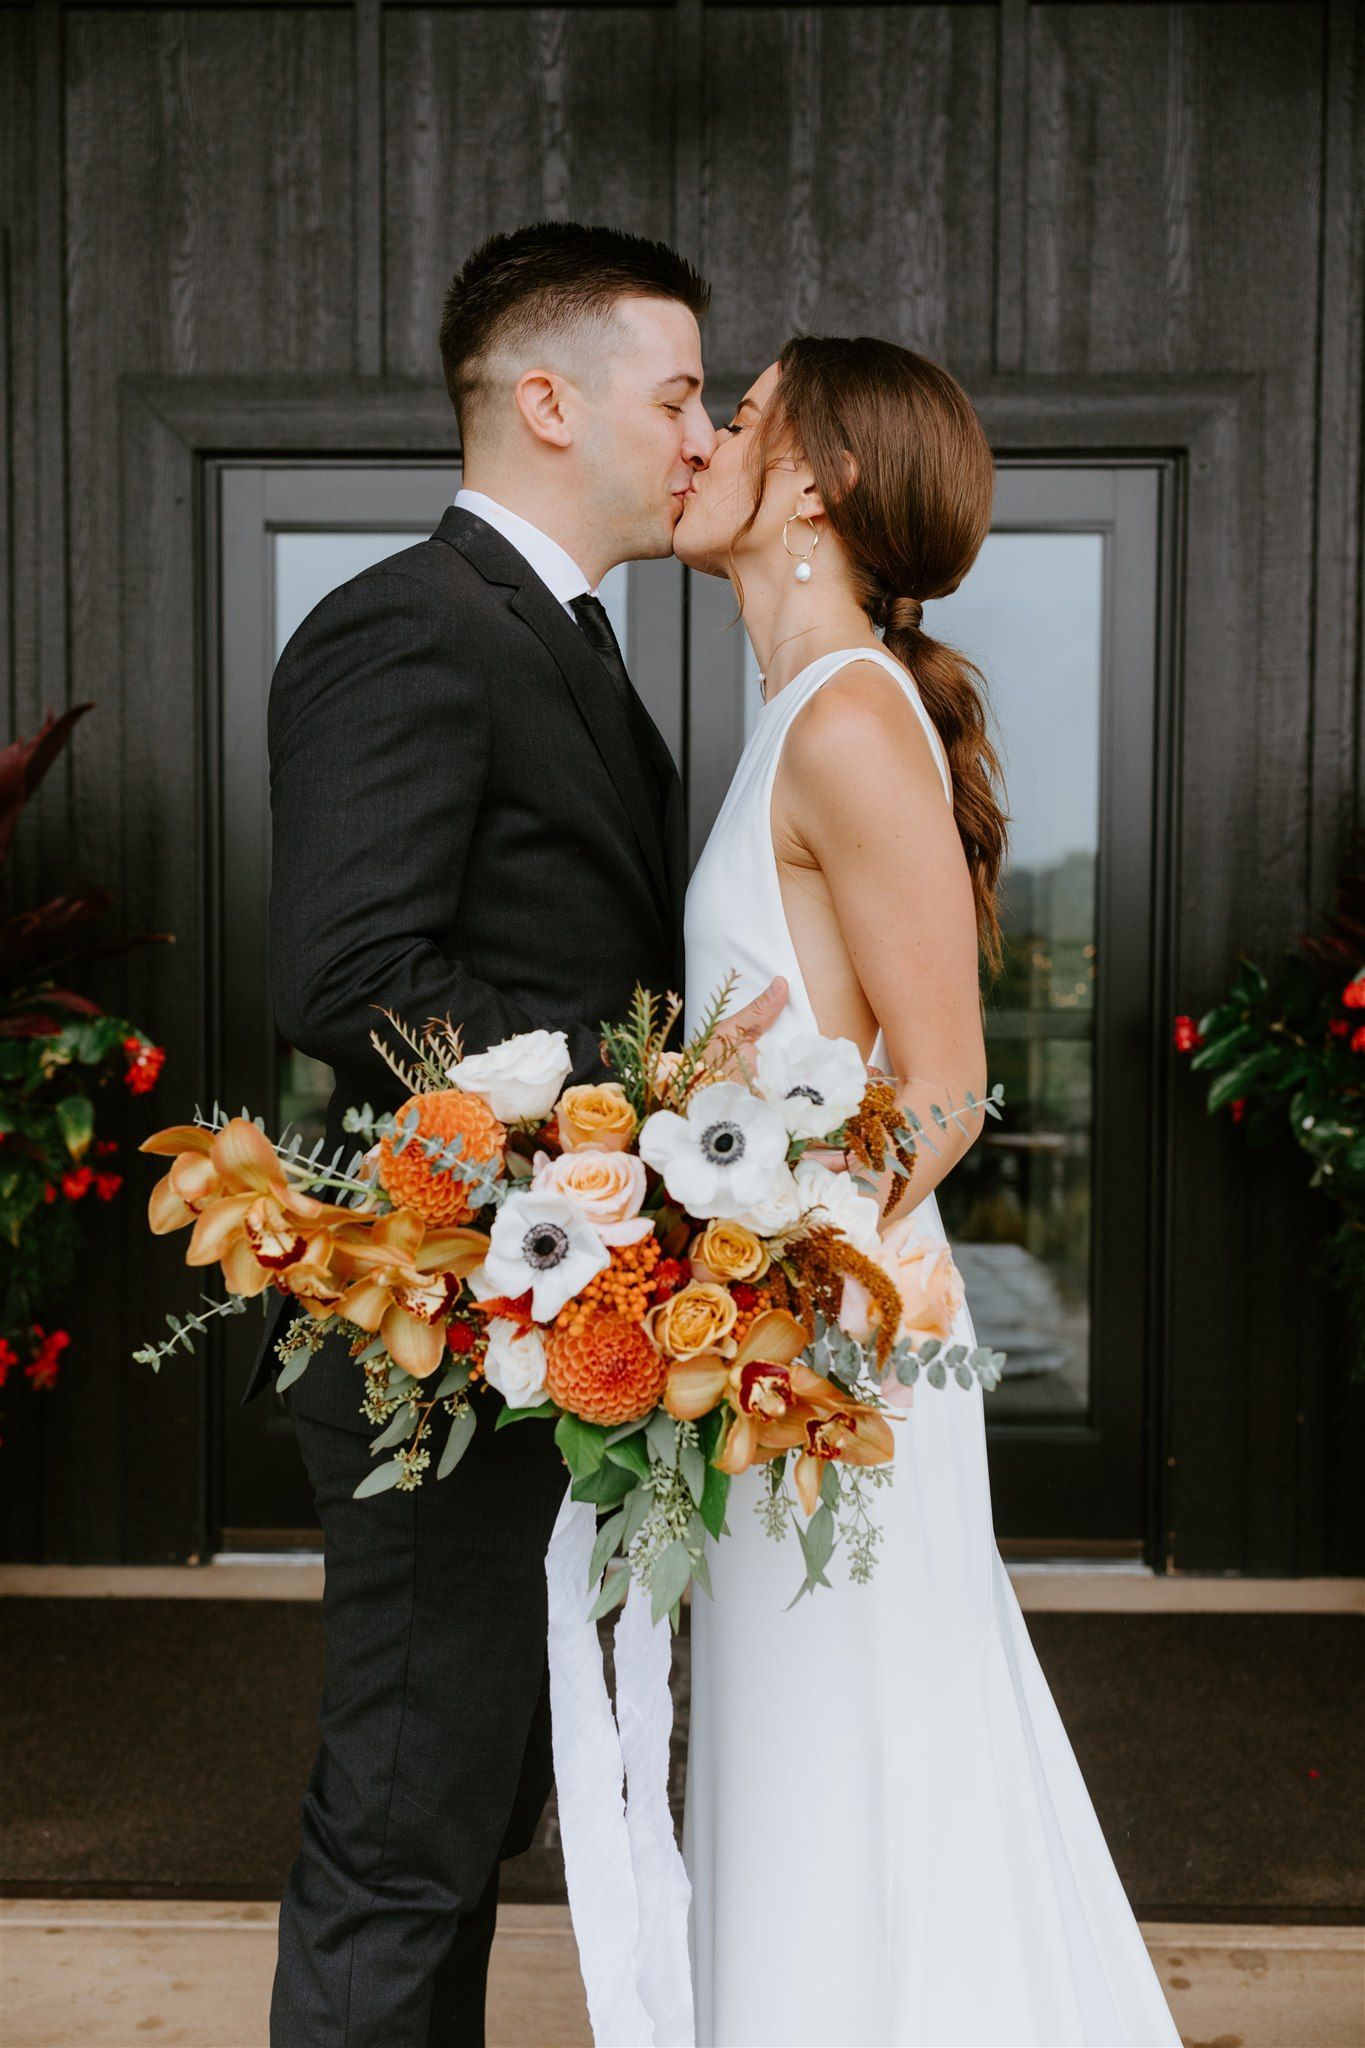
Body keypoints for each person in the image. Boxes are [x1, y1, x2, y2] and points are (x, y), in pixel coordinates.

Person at [248, 220, 785, 2048]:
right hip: (440, 1341)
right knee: (407, 1829)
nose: (701, 434)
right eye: (678, 392)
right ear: (548, 401)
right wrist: (655, 1138)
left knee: (469, 1813)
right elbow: (356, 977)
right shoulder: (408, 622)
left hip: (537, 1339)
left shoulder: (555, 639)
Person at [673, 336, 1181, 2047]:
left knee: (860, 1762)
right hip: (780, 1352)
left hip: (837, 1360)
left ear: (812, 480)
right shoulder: (795, 714)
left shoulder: (844, 720)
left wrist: (770, 1277)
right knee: (806, 1758)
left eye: (736, 418)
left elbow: (946, 1089)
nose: (705, 440)